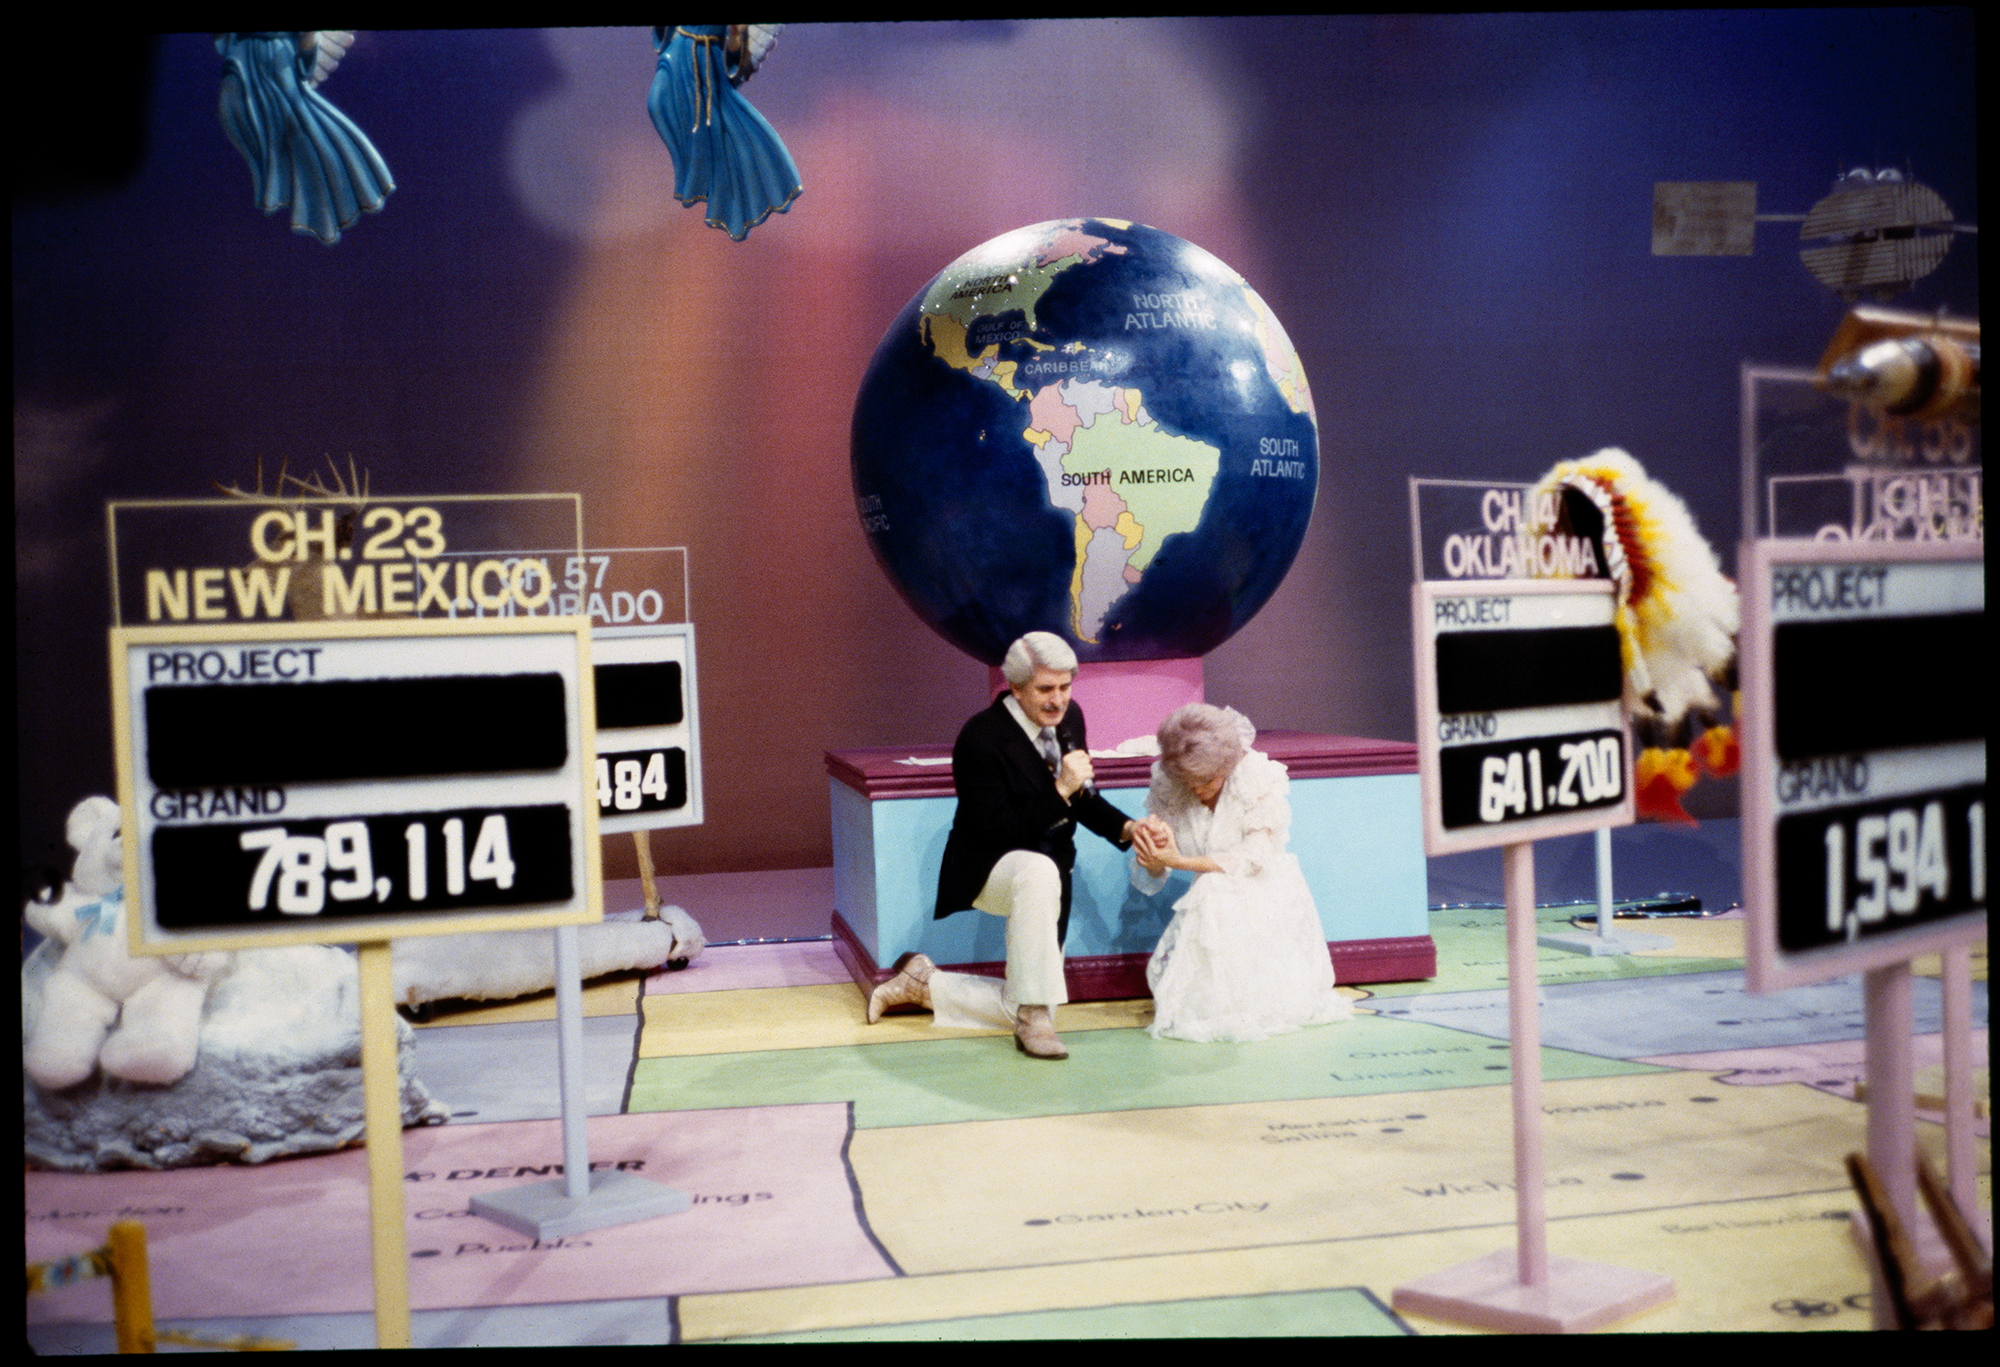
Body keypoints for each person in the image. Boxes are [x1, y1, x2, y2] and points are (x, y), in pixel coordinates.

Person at [867, 632, 1136, 1059]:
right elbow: (999, 830)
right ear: (1014, 687)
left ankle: (925, 982)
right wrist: (1060, 789)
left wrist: (1129, 830)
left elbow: (1081, 797)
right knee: (1037, 871)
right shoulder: (980, 738)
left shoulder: (1071, 719)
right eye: (1045, 689)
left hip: (1049, 873)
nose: (1058, 700)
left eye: (1065, 687)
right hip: (986, 865)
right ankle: (1031, 1017)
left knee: (1037, 994)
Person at [1128, 703, 1353, 1042]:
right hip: (1213, 897)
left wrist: (1178, 861)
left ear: (1228, 764)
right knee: (1212, 888)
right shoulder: (1171, 783)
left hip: (1266, 890)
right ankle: (1212, 1004)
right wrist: (1154, 855)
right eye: (1188, 781)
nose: (1197, 789)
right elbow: (1154, 874)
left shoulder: (1257, 776)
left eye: (1206, 780)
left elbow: (1252, 859)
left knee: (1213, 888)